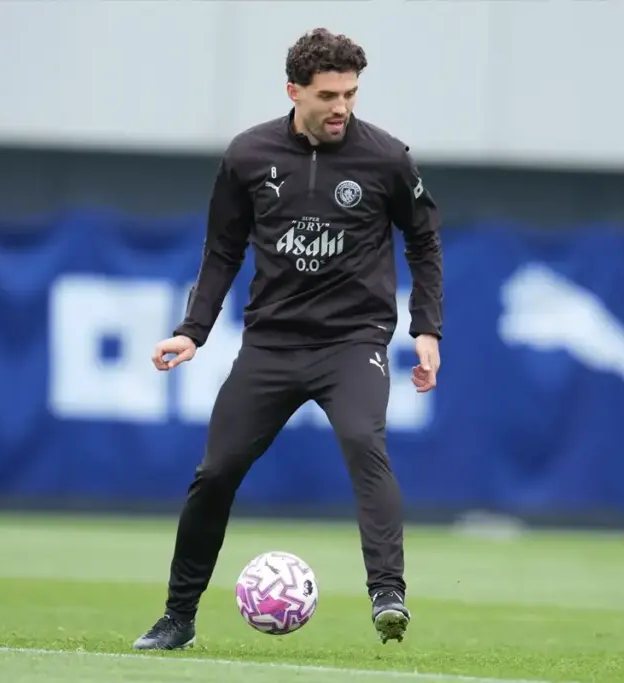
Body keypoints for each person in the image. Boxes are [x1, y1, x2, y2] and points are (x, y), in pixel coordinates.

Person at [133, 27, 443, 650]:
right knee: (215, 472)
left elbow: (424, 240)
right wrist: (193, 331)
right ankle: (177, 617)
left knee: (364, 443)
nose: (341, 107)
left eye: (351, 94)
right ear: (293, 91)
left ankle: (388, 594)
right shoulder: (248, 155)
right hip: (271, 345)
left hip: (353, 342)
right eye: (328, 95)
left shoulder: (386, 158)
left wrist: (427, 327)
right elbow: (222, 249)